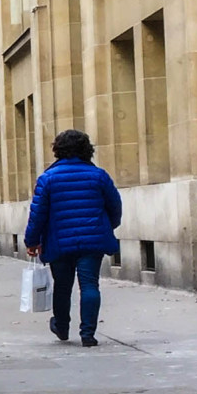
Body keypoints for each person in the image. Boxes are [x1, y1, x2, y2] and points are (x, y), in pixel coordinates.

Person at [24, 128, 123, 347]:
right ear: (87, 149)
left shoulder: (48, 179)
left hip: (59, 242)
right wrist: (107, 226)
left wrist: (32, 241)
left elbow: (37, 213)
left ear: (58, 150)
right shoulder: (99, 176)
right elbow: (115, 205)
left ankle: (62, 326)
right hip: (92, 240)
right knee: (89, 285)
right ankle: (88, 333)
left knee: (62, 285)